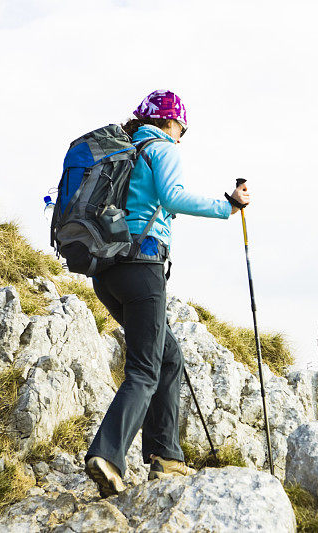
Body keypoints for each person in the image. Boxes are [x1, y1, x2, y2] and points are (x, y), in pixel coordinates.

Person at [84, 89, 249, 497]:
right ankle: (107, 455)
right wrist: (227, 205)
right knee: (144, 368)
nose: (181, 136)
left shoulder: (121, 151)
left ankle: (166, 457)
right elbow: (173, 196)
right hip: (142, 267)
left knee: (169, 356)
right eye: (181, 129)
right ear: (173, 124)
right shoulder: (163, 149)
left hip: (106, 273)